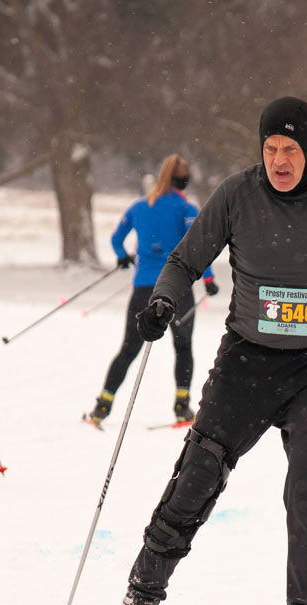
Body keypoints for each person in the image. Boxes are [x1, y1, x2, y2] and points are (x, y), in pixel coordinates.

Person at [72, 97, 307, 605]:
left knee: (306, 493)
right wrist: (162, 301)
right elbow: (183, 259)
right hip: (246, 362)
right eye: (270, 148)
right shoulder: (236, 194)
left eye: (291, 150)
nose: (279, 160)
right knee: (195, 476)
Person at [85, 154, 219, 428]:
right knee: (183, 347)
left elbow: (115, 239)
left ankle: (102, 405)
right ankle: (182, 406)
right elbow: (197, 247)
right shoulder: (187, 209)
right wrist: (208, 279)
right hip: (177, 289)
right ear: (182, 179)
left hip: (144, 288)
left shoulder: (138, 207)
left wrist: (123, 256)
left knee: (129, 349)